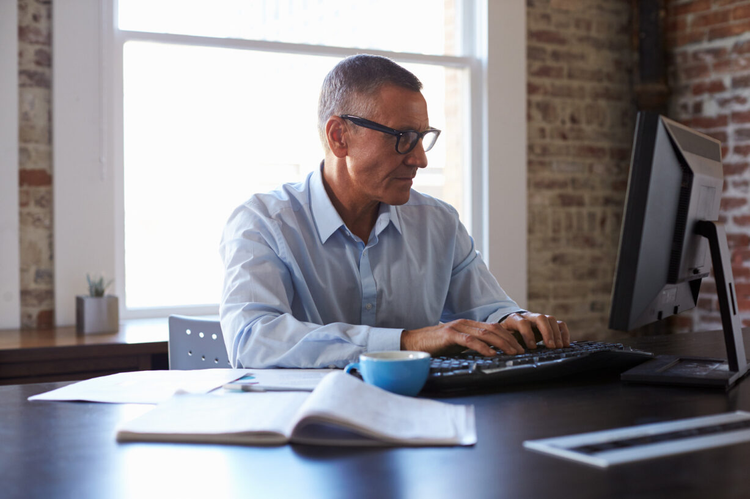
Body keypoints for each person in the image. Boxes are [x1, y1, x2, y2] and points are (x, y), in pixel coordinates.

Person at [219, 54, 570, 368]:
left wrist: (516, 320)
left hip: (423, 417)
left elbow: (487, 308)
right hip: (305, 426)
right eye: (402, 137)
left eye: (422, 137)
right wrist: (407, 341)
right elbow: (251, 340)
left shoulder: (440, 223)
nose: (420, 159)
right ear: (339, 136)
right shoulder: (262, 223)